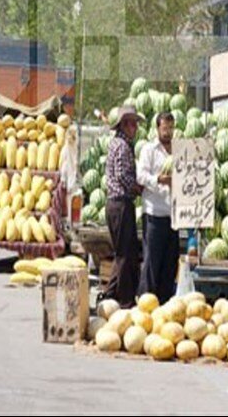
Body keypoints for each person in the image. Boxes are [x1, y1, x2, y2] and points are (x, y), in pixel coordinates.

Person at [102, 106, 144, 308]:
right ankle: (124, 300)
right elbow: (121, 176)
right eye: (133, 124)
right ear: (125, 125)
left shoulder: (119, 143)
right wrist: (138, 187)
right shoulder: (121, 146)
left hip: (117, 204)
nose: (136, 128)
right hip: (120, 204)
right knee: (125, 255)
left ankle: (109, 294)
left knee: (124, 252)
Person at [136, 112, 179, 304]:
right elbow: (141, 176)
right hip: (154, 213)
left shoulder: (179, 149)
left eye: (170, 128)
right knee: (152, 262)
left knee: (170, 262)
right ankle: (146, 302)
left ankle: (165, 302)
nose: (168, 132)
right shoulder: (149, 150)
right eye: (164, 129)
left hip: (174, 215)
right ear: (157, 129)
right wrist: (160, 180)